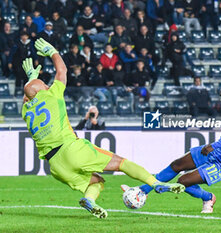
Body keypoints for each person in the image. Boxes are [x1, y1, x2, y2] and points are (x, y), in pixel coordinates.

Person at [21, 38, 185, 219]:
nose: (47, 85)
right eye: (44, 85)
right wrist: (53, 52)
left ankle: (90, 201)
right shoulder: (52, 95)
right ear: (43, 90)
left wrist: (31, 79)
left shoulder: (25, 111)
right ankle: (155, 184)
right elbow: (62, 70)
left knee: (96, 181)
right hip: (71, 149)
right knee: (121, 163)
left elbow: (28, 96)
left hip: (55, 166)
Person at [122, 82, 221, 213]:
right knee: (177, 164)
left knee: (183, 181)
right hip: (215, 152)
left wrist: (214, 145)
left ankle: (208, 198)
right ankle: (142, 191)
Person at [8, 31, 38, 95]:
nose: (24, 37)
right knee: (18, 77)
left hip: (27, 63)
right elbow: (12, 54)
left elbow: (33, 53)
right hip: (18, 63)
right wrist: (10, 62)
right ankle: (17, 91)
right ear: (21, 37)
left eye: (25, 36)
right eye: (23, 36)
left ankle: (25, 91)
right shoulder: (17, 44)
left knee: (26, 77)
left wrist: (36, 59)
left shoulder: (30, 44)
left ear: (27, 37)